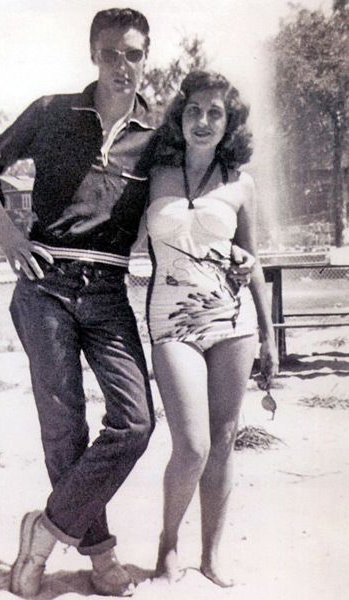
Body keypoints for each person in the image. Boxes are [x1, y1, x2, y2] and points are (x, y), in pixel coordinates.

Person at [0, 8, 157, 598]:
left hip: (108, 291)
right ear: (92, 54)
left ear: (146, 56)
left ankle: (45, 532)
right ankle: (99, 555)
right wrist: (9, 236)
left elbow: (197, 191)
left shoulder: (160, 132)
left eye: (132, 54)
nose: (121, 66)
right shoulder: (53, 112)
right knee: (63, 429)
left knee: (135, 423)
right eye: (109, 53)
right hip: (44, 286)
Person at [144, 71, 278, 587]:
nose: (203, 121)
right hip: (172, 321)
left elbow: (254, 260)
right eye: (194, 110)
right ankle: (168, 544)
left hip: (233, 321)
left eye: (215, 113)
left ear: (229, 123)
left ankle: (212, 554)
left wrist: (268, 335)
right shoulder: (154, 172)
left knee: (223, 440)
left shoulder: (240, 181)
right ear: (180, 118)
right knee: (193, 445)